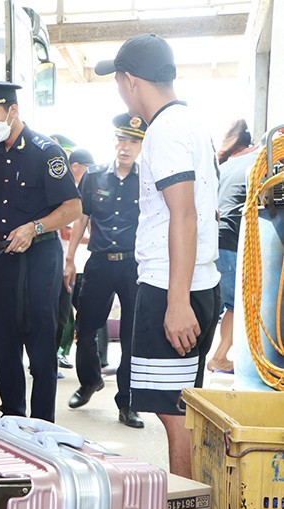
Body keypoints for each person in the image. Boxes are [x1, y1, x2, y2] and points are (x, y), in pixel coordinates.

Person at [95, 34, 220, 477]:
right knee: (183, 407)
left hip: (174, 285)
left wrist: (177, 301)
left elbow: (182, 216)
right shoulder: (189, 123)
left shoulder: (165, 130)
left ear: (130, 80)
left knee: (174, 414)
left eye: (117, 79)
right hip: (196, 281)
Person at [0, 80, 82, 423]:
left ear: (13, 110)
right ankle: (13, 418)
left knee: (41, 345)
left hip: (41, 258)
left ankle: (43, 425)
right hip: (6, 259)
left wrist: (36, 227)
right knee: (4, 340)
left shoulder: (46, 152)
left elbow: (72, 207)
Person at [64, 113, 148, 429]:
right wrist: (70, 258)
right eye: (122, 140)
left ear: (141, 146)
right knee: (86, 327)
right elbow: (82, 219)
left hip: (133, 267)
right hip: (99, 263)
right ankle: (89, 381)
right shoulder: (94, 176)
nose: (126, 147)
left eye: (134, 141)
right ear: (114, 141)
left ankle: (127, 403)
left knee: (131, 335)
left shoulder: (148, 178)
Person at [207, 120, 256, 373]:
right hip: (232, 242)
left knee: (231, 305)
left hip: (214, 240)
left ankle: (220, 356)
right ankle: (219, 357)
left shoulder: (226, 165)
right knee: (242, 305)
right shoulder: (260, 162)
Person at [57, 148, 96, 370]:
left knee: (80, 313)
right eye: (86, 166)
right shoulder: (65, 191)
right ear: (75, 166)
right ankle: (56, 354)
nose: (89, 172)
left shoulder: (86, 193)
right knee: (63, 313)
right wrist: (92, 239)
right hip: (63, 261)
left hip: (80, 264)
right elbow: (65, 231)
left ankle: (66, 353)